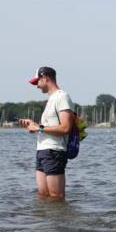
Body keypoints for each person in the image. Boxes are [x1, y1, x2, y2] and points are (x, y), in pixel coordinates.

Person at [18, 66, 75, 200]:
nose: (36, 86)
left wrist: (39, 128)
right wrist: (33, 125)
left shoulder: (62, 97)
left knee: (56, 197)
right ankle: (44, 222)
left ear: (45, 78)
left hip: (54, 151)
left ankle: (60, 221)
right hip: (42, 151)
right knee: (43, 196)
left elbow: (66, 127)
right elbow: (46, 127)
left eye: (37, 82)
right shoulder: (51, 99)